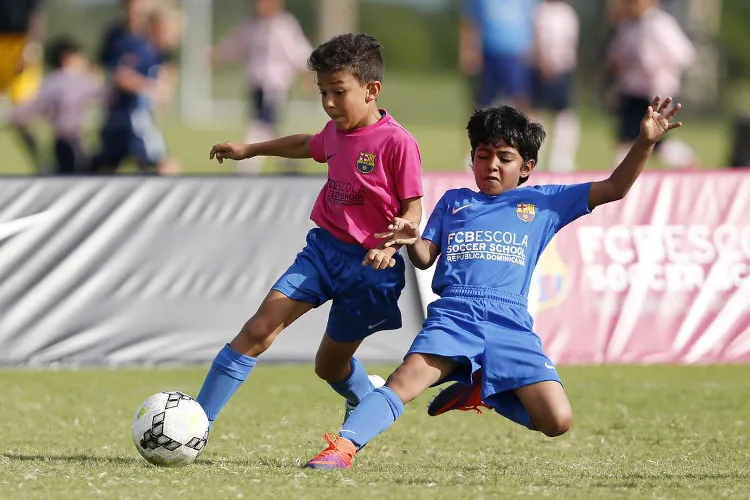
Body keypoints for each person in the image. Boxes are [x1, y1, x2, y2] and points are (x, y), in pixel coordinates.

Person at [304, 95, 683, 470]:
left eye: (505, 158)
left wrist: (645, 142)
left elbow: (614, 187)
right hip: (455, 316)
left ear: (527, 167)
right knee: (402, 383)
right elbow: (424, 257)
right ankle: (341, 448)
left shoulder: (546, 202)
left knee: (557, 420)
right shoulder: (454, 201)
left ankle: (481, 389)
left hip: (510, 323)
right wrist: (410, 238)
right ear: (472, 159)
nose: (492, 165)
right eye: (483, 156)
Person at [199, 33, 424, 435]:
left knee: (329, 366)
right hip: (322, 254)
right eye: (323, 93)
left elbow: (413, 210)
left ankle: (364, 400)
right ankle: (196, 423)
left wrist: (394, 242)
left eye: (338, 92)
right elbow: (307, 143)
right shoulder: (335, 130)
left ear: (372, 90)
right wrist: (250, 150)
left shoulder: (398, 142)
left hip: (371, 269)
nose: (329, 103)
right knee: (258, 328)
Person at [211, 0, 314, 175]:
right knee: (272, 127)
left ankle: (245, 169)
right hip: (257, 85)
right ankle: (291, 165)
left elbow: (299, 53)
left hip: (275, 86)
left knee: (260, 125)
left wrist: (307, 76)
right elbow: (235, 45)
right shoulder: (252, 25)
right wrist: (218, 55)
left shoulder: (284, 26)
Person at [607, 0, 695, 169]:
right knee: (625, 140)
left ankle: (686, 161)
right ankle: (618, 180)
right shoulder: (628, 26)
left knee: (657, 143)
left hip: (655, 94)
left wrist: (658, 67)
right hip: (632, 92)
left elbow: (684, 54)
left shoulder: (661, 24)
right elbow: (616, 56)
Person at [92, 0, 176, 175]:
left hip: (137, 114)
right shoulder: (115, 36)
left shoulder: (149, 38)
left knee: (161, 163)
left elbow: (165, 68)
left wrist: (163, 91)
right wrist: (146, 87)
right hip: (118, 114)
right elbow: (112, 72)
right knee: (106, 168)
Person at [7, 37, 105, 174]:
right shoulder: (74, 80)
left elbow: (29, 108)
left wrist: (12, 114)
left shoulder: (50, 81)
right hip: (72, 141)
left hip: (60, 143)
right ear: (67, 58)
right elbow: (105, 95)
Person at [530, 0, 581, 172]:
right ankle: (535, 154)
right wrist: (543, 61)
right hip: (539, 69)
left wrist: (559, 63)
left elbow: (570, 42)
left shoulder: (568, 13)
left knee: (564, 114)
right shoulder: (539, 11)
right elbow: (535, 40)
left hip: (563, 69)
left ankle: (561, 158)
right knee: (537, 114)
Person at [0, 0, 44, 170]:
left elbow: (36, 14)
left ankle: (41, 163)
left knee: (22, 116)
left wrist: (33, 44)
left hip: (21, 44)